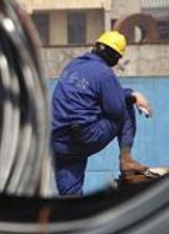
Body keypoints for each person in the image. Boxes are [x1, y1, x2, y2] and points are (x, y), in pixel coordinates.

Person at [51, 31, 153, 196]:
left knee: (70, 197)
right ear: (114, 56)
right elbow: (117, 109)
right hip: (85, 136)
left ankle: (73, 218)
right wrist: (133, 96)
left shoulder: (74, 65)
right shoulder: (105, 73)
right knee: (125, 107)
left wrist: (128, 92)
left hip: (58, 142)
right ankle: (126, 159)